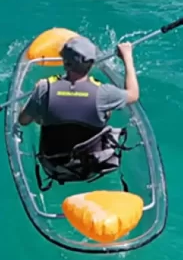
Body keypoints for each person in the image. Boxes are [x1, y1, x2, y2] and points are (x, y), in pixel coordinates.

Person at [17, 36, 140, 186]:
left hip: (52, 167)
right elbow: (133, 94)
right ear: (91, 64)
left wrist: (36, 95)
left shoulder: (44, 88)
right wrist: (127, 57)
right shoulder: (104, 93)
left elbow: (23, 121)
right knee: (106, 109)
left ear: (66, 63)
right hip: (92, 167)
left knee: (42, 111)